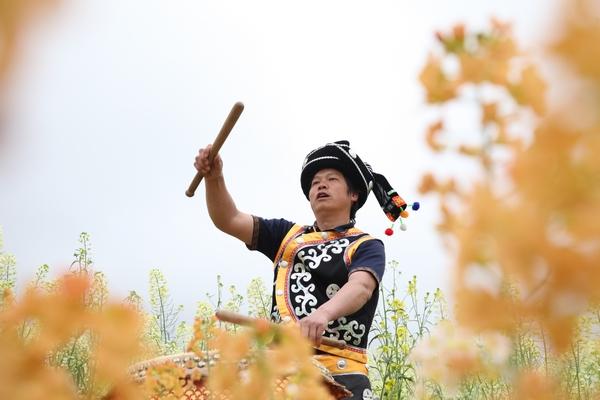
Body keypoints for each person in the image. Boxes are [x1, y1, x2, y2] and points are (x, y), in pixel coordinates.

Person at [195, 140, 411, 400]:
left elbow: (361, 287)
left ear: (353, 195)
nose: (321, 185)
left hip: (341, 376)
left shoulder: (366, 245)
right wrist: (214, 178)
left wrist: (322, 315)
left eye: (332, 179)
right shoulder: (285, 236)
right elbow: (228, 219)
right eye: (315, 182)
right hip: (282, 376)